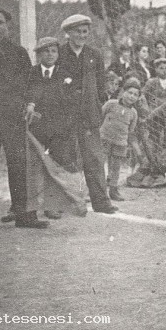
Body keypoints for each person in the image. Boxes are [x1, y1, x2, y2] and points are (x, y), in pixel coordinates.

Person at [0, 7, 50, 231]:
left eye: (0, 22)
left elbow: (31, 84)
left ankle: (25, 215)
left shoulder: (18, 53)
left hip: (14, 117)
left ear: (7, 27)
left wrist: (30, 104)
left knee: (20, 166)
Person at [56, 14, 118, 214]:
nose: (82, 35)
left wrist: (97, 105)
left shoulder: (94, 54)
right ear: (68, 33)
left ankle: (101, 201)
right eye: (77, 32)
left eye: (85, 32)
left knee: (94, 158)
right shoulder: (59, 54)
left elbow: (100, 85)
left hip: (89, 115)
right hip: (65, 115)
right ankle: (65, 202)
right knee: (65, 158)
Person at [25, 36, 82, 220]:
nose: (50, 54)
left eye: (53, 51)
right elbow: (27, 95)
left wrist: (66, 123)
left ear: (58, 54)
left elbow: (72, 101)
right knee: (35, 167)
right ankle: (31, 205)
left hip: (58, 128)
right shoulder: (31, 73)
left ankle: (52, 205)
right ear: (38, 54)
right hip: (36, 128)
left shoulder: (65, 74)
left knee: (54, 165)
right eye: (45, 51)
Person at [100, 78, 140, 201]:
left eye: (135, 95)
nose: (131, 96)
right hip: (104, 139)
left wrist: (131, 145)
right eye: (129, 92)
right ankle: (98, 190)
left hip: (120, 143)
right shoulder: (111, 104)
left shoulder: (133, 113)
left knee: (116, 167)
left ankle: (113, 190)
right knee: (100, 164)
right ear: (123, 92)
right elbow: (101, 117)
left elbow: (131, 130)